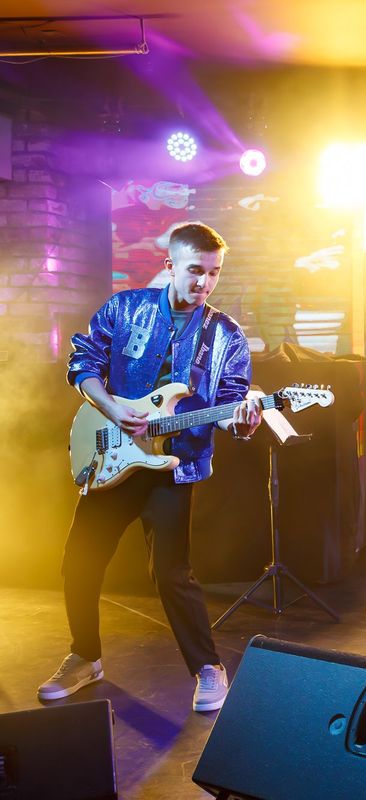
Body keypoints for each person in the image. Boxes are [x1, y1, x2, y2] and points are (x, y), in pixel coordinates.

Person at [39, 222, 262, 712]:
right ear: (170, 265)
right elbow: (83, 361)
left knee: (171, 573)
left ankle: (208, 668)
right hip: (112, 456)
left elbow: (229, 404)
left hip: (173, 468)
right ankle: (85, 657)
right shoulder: (125, 308)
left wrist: (242, 422)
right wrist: (112, 408)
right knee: (79, 562)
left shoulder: (225, 335)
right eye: (196, 270)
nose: (204, 282)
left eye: (214, 273)